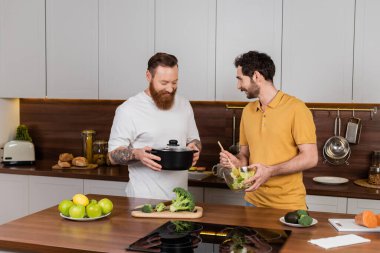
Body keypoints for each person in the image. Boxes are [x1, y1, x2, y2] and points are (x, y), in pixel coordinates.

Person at [220, 51, 318, 210]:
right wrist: (237, 162)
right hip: (252, 201)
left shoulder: (296, 108)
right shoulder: (248, 111)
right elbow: (245, 154)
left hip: (288, 205)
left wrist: (270, 171)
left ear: (256, 76)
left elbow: (310, 157)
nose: (238, 86)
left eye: (240, 79)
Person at [108, 52, 201, 200]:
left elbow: (194, 140)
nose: (170, 89)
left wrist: (195, 148)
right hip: (142, 201)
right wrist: (137, 154)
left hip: (180, 201)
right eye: (164, 83)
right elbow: (113, 155)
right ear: (148, 76)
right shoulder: (128, 109)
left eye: (174, 82)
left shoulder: (184, 105)